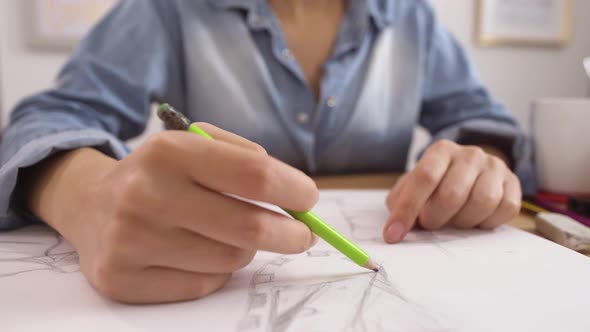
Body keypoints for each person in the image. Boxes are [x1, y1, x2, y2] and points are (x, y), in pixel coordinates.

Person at [0, 0, 534, 303]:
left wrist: (481, 161)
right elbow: (49, 118)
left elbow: (478, 120)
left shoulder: (409, 17)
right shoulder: (168, 10)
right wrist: (83, 193)